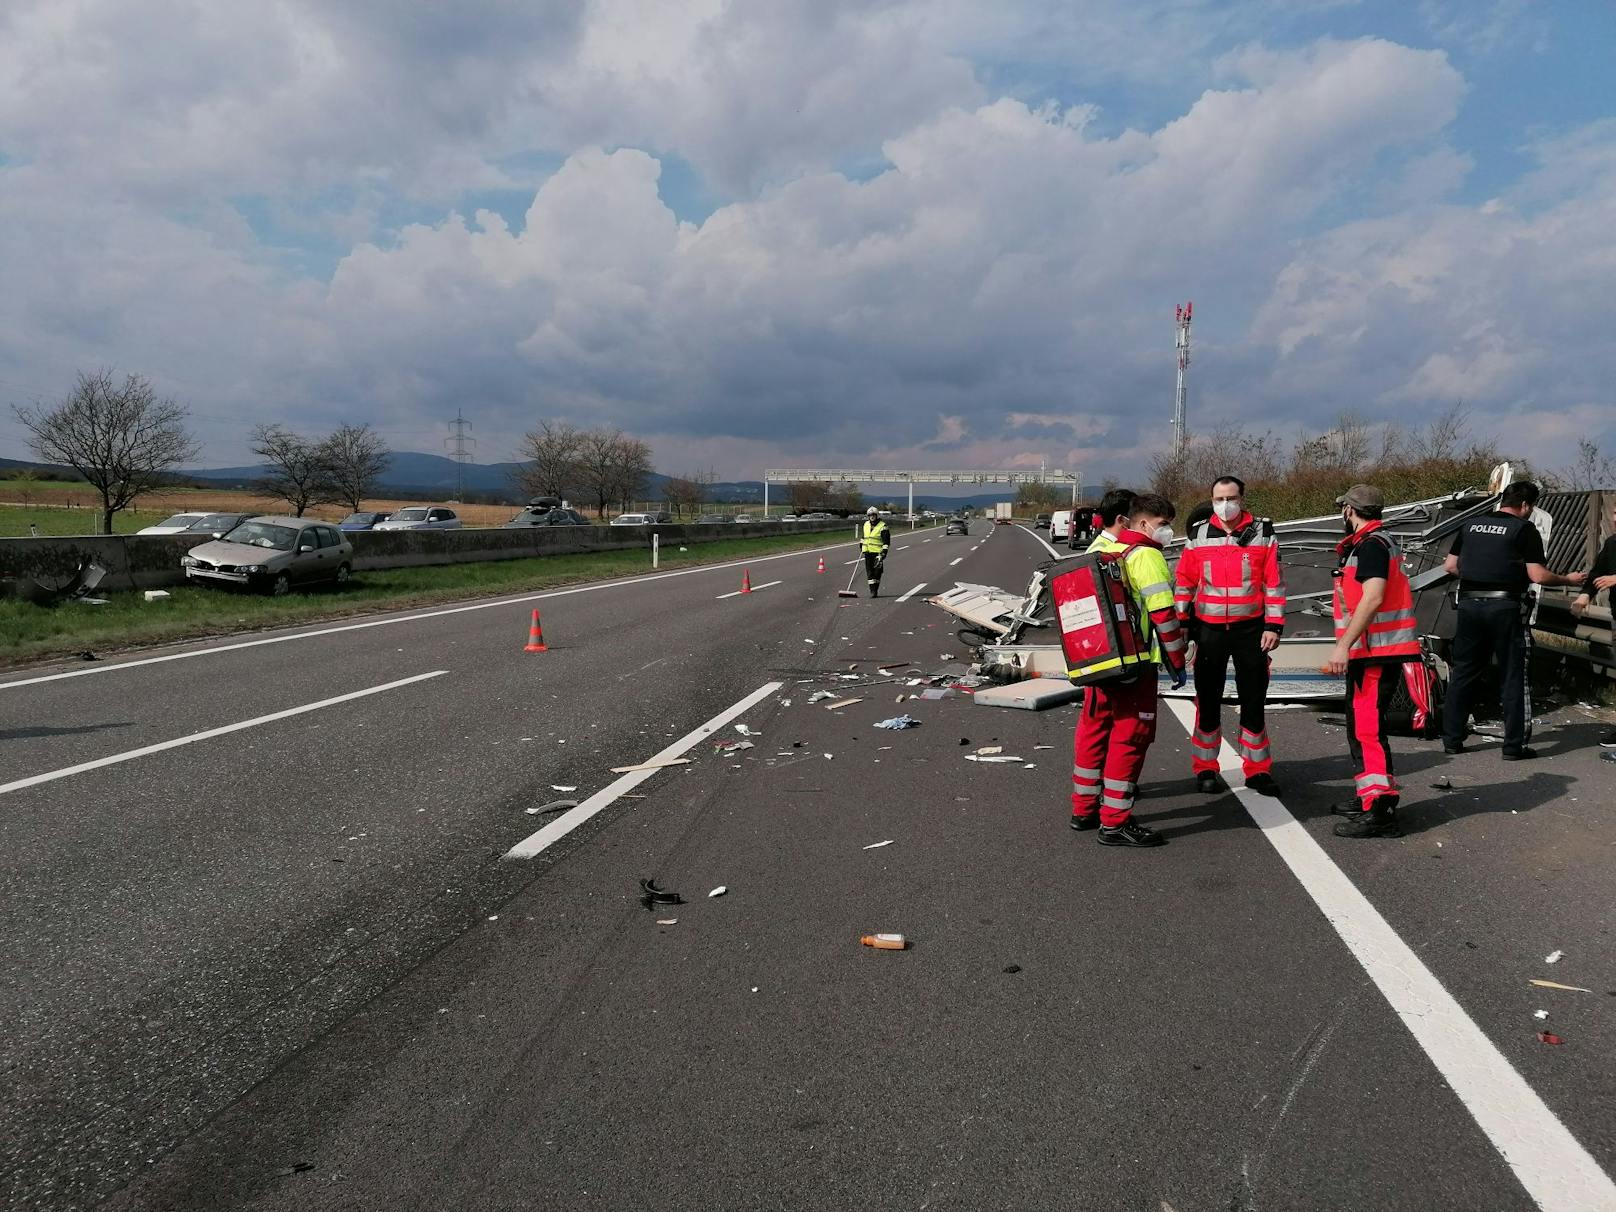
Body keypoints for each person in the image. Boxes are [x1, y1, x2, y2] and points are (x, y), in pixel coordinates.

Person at [1070, 490, 1188, 848]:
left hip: (1097, 663)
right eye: (1163, 524)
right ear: (1140, 523)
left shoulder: (1098, 551)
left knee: (1093, 730)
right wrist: (1177, 660)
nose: (1166, 532)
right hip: (1134, 665)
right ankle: (1116, 822)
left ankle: (1084, 809)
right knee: (1130, 736)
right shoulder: (1146, 556)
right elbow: (1164, 615)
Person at [1441, 481, 1585, 760]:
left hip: (1469, 605)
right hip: (1505, 608)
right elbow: (1538, 576)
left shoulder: (1472, 525)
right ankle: (1513, 746)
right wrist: (1568, 579)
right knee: (1513, 676)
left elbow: (1450, 566)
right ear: (1526, 506)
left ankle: (1452, 740)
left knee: (1464, 673)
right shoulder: (1524, 529)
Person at [1173, 475, 1286, 796]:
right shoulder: (1198, 535)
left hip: (1251, 631)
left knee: (1253, 701)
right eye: (1219, 499)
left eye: (1231, 498)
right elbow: (1184, 582)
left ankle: (1258, 770)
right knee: (1207, 702)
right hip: (1208, 631)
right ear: (1211, 501)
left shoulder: (1263, 534)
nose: (1225, 505)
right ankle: (1206, 768)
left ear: (1242, 499)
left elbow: (1274, 583)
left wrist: (1274, 625)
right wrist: (1182, 622)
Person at [1327, 485, 1423, 838]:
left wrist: (1343, 646)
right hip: (1373, 650)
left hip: (1374, 652)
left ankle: (1379, 808)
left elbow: (1372, 598)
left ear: (1349, 511)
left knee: (1366, 730)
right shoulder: (1376, 542)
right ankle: (1369, 797)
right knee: (1362, 728)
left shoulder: (1370, 546)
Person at [1570, 496, 1616, 753]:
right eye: (1615, 512)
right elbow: (1598, 573)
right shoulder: (1612, 543)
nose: (1614, 518)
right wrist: (1584, 595)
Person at [860, 506, 891, 597]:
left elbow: (886, 541)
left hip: (878, 553)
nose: (872, 517)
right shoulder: (866, 524)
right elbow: (864, 536)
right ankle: (873, 591)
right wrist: (861, 544)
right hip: (867, 552)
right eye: (870, 515)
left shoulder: (883, 526)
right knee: (869, 572)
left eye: (873, 515)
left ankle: (875, 588)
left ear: (877, 515)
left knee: (877, 572)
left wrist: (884, 552)